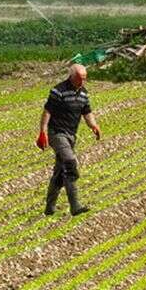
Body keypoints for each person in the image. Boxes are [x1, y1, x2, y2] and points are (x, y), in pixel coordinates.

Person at [38, 63, 101, 216]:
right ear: (71, 77)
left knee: (60, 172)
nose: (82, 82)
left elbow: (87, 113)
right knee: (70, 162)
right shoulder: (58, 91)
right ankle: (75, 206)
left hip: (71, 135)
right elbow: (47, 112)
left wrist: (94, 126)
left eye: (84, 79)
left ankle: (49, 208)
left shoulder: (84, 94)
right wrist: (43, 132)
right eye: (80, 79)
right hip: (57, 133)